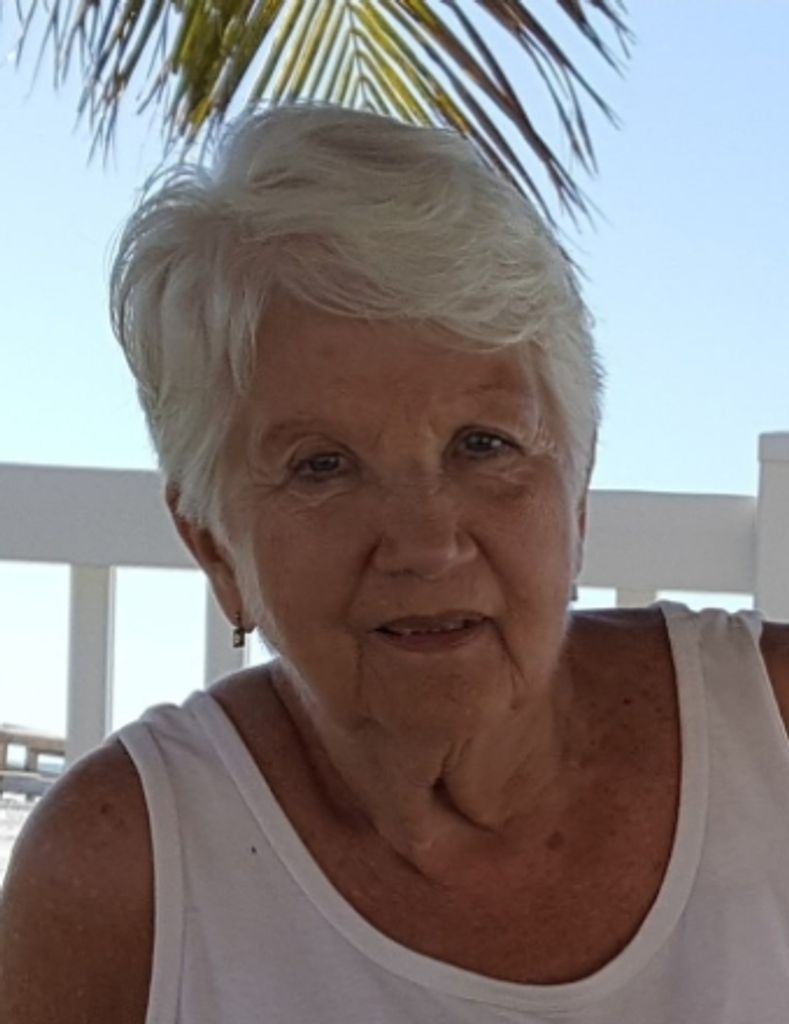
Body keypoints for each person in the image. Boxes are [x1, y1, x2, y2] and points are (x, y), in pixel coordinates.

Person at [2, 103, 789, 1024]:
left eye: (484, 444)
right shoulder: (117, 875)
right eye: (321, 466)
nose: (424, 544)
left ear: (575, 491)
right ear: (214, 545)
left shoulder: (771, 734)